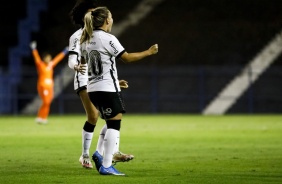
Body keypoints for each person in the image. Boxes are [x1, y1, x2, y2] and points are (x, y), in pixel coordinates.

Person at [80, 7, 158, 175]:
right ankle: (107, 165)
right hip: (106, 88)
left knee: (110, 121)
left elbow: (88, 64)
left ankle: (99, 154)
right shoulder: (108, 38)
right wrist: (149, 52)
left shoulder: (86, 39)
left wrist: (115, 81)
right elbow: (127, 57)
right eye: (111, 16)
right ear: (107, 20)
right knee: (115, 122)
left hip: (93, 88)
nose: (112, 19)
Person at [68, 0, 133, 170]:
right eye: (90, 11)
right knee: (94, 116)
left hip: (98, 80)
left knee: (109, 115)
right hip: (83, 78)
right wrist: (75, 66)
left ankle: (109, 152)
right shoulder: (77, 36)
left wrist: (112, 81)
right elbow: (72, 60)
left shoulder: (98, 36)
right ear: (83, 16)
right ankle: (85, 155)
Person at [30, 41, 68, 124]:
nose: (48, 59)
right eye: (47, 58)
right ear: (44, 59)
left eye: (49, 58)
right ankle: (40, 117)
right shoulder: (41, 65)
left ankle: (43, 118)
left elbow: (57, 59)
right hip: (43, 86)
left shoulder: (51, 64)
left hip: (50, 86)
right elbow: (36, 58)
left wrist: (65, 51)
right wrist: (34, 49)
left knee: (48, 102)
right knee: (46, 101)